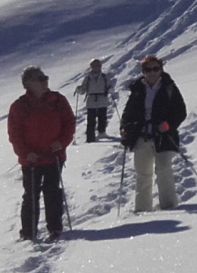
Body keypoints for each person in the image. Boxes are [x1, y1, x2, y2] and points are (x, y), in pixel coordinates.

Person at [7, 66, 75, 241]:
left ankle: (55, 228)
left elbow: (69, 124)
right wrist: (25, 152)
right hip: (31, 160)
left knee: (53, 193)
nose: (45, 81)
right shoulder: (19, 106)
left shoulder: (57, 100)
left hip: (54, 157)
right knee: (30, 196)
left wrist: (61, 143)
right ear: (28, 84)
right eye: (40, 79)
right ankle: (28, 233)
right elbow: (15, 134)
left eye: (45, 78)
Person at [119, 55, 187, 212]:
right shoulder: (137, 88)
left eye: (156, 69)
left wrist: (168, 124)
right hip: (141, 136)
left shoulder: (169, 87)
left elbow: (180, 111)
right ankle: (143, 210)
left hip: (164, 136)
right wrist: (124, 127)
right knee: (143, 175)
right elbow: (128, 112)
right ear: (143, 71)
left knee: (163, 170)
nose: (152, 73)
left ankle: (169, 206)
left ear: (161, 69)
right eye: (148, 69)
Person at [74, 58, 116, 143]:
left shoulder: (104, 77)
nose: (96, 67)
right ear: (91, 67)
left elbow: (110, 86)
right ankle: (90, 138)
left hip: (102, 99)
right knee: (91, 120)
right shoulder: (88, 78)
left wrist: (111, 89)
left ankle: (102, 133)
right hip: (92, 100)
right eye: (94, 65)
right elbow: (84, 89)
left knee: (102, 118)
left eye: (98, 65)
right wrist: (79, 90)